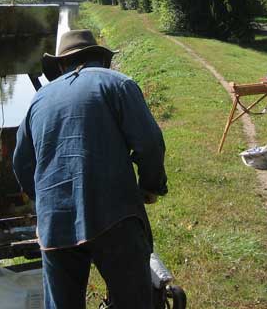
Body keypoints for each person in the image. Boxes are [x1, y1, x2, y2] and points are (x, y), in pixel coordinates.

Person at [13, 29, 168, 309]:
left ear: (60, 65)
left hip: (54, 223)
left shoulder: (39, 100)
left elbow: (21, 162)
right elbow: (149, 143)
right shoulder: (119, 84)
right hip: (114, 214)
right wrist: (150, 186)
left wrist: (44, 202)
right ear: (100, 58)